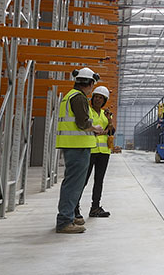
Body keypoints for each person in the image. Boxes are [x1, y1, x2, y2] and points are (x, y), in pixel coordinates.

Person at [55, 67, 103, 234]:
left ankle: (68, 216)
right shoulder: (79, 98)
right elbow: (82, 123)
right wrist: (95, 128)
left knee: (71, 183)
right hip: (77, 146)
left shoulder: (69, 96)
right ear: (90, 83)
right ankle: (64, 221)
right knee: (74, 184)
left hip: (72, 145)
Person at [74, 86, 115, 221]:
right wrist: (95, 130)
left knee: (99, 180)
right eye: (96, 96)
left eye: (101, 98)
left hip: (104, 152)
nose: (97, 99)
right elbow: (83, 126)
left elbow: (111, 131)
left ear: (104, 100)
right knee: (83, 180)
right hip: (90, 150)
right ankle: (75, 207)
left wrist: (109, 121)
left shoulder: (106, 114)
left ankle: (95, 208)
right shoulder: (88, 111)